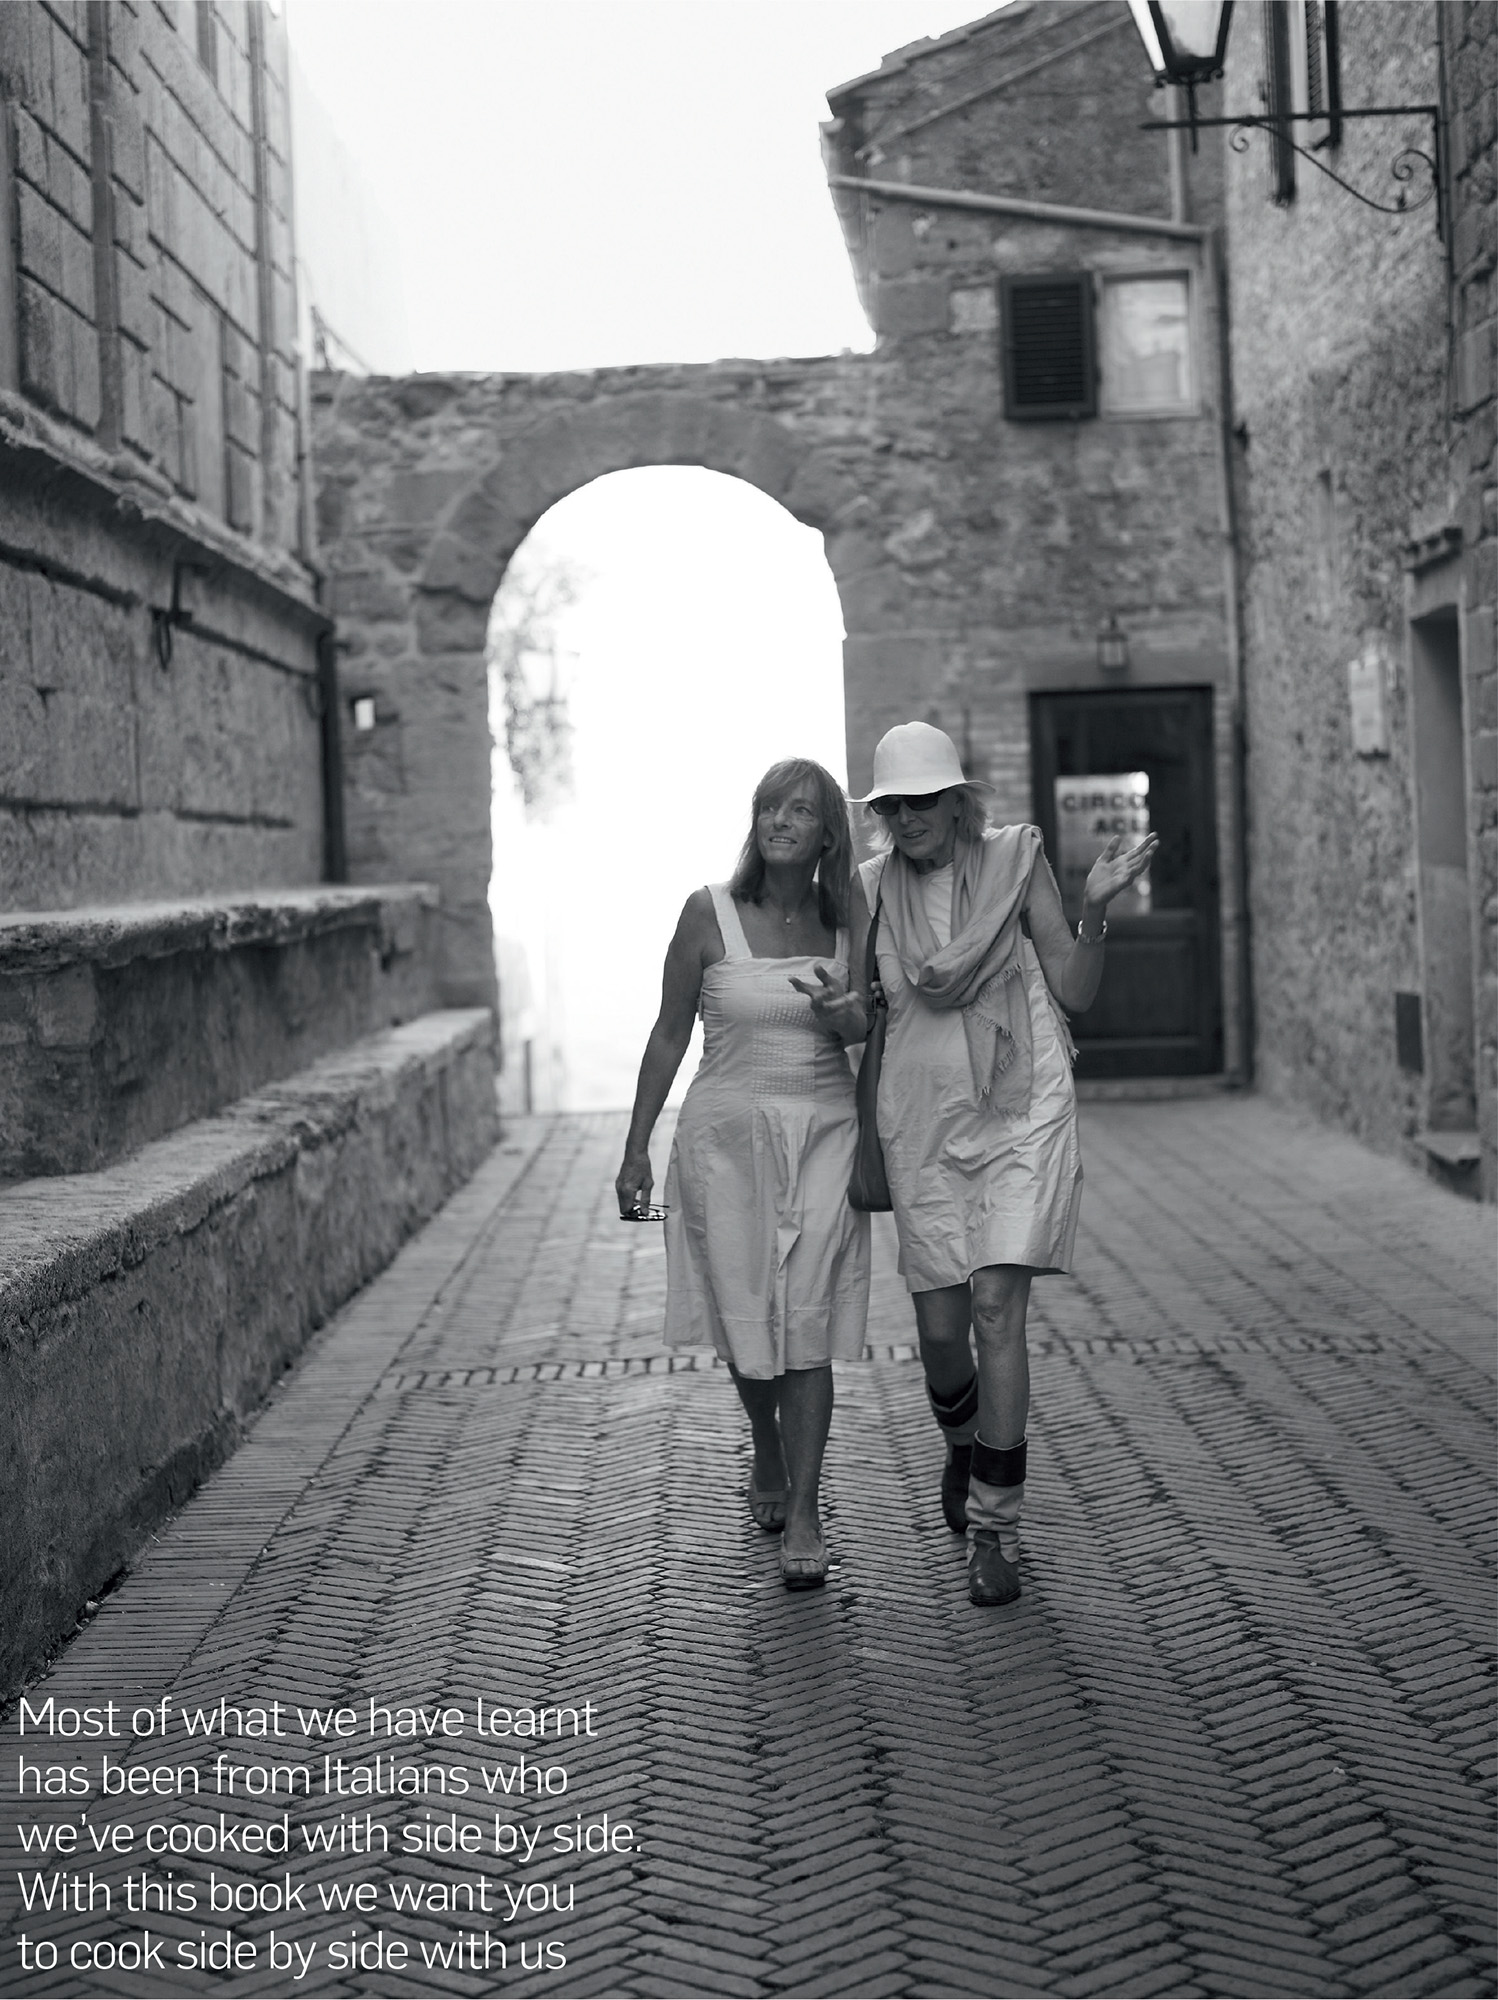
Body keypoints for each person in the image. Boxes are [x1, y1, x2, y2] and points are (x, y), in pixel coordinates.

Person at [808, 721, 1155, 1608]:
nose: (908, 817)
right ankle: (963, 1444)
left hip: (1018, 1106)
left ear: (959, 801)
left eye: (925, 800)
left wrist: (1096, 907)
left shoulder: (1015, 860)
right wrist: (840, 1011)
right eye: (893, 805)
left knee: (998, 1307)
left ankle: (994, 1530)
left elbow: (1073, 988)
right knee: (939, 1337)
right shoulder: (868, 889)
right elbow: (862, 1019)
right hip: (920, 1122)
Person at [615, 759, 870, 1591]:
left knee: (807, 1318)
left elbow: (876, 1019)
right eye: (769, 807)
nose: (780, 821)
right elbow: (666, 1035)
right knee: (745, 1318)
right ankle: (765, 1442)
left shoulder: (847, 914)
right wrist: (635, 1149)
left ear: (828, 832)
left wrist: (847, 1016)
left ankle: (805, 1508)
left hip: (824, 1133)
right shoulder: (708, 913)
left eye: (799, 810)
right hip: (724, 1141)